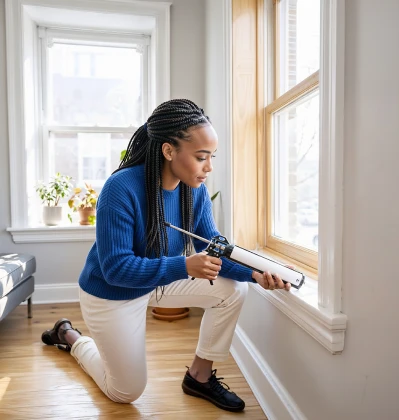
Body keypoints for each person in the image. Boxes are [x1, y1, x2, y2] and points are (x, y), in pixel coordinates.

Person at [41, 99, 291, 413]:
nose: (209, 167)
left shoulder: (195, 189)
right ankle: (71, 336)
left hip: (158, 279)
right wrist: (185, 265)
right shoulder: (120, 189)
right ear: (169, 151)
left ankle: (199, 377)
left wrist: (255, 272)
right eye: (201, 157)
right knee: (125, 392)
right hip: (112, 292)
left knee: (233, 290)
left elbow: (215, 247)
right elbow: (116, 269)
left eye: (211, 157)